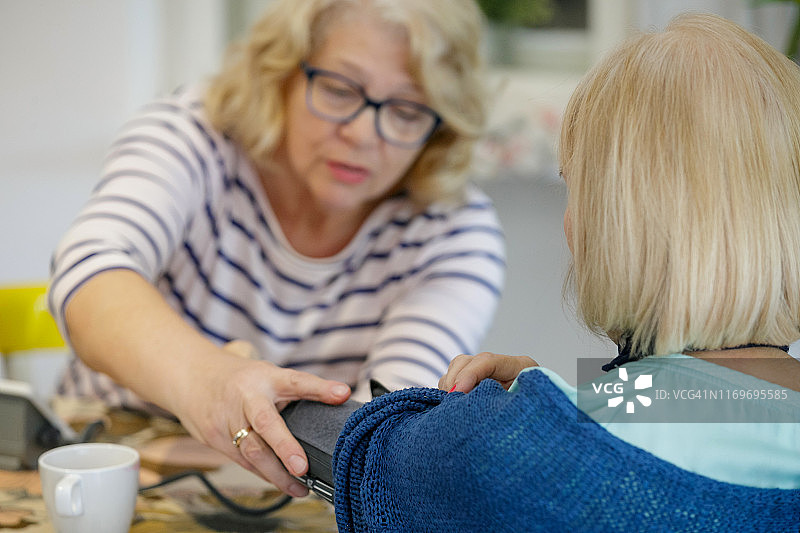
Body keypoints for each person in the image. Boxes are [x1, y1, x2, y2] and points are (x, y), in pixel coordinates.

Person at [333, 13, 800, 531]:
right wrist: (562, 399)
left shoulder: (522, 452)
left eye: (573, 188)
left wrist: (534, 420)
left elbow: (374, 456)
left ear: (613, 223)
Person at [47, 0, 504, 498]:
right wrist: (209, 380)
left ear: (441, 125)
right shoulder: (195, 135)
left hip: (299, 493)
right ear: (282, 72)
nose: (361, 133)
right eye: (337, 88)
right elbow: (89, 273)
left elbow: (390, 425)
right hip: (102, 466)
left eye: (406, 110)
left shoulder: (454, 232)